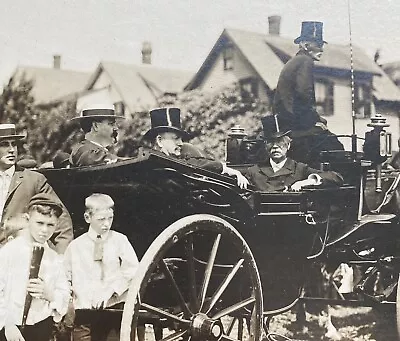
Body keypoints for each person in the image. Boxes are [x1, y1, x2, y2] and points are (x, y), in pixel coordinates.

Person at [64, 193, 139, 341]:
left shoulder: (120, 241)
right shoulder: (75, 246)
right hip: (84, 314)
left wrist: (112, 291)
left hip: (114, 310)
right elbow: (65, 276)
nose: (106, 224)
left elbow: (133, 271)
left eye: (110, 218)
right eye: (101, 219)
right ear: (87, 218)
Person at [0, 193, 70, 341]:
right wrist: (7, 324)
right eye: (39, 223)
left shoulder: (53, 258)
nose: (44, 230)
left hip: (40, 327)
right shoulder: (9, 252)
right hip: (10, 328)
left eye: (50, 225)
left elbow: (64, 294)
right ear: (27, 219)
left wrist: (49, 294)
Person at [272, 21, 343, 165]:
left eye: (321, 45)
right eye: (317, 45)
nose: (321, 49)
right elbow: (304, 96)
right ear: (305, 45)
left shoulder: (294, 61)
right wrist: (316, 121)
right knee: (337, 150)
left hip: (286, 124)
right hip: (296, 126)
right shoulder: (305, 61)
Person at [0, 124, 73, 254]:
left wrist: (61, 256)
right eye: (4, 144)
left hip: (22, 256)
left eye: (14, 144)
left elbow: (62, 219)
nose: (11, 150)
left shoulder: (34, 180)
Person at [142, 107, 249, 189]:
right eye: (175, 139)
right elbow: (191, 164)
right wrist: (234, 172)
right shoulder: (161, 163)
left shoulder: (151, 159)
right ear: (160, 141)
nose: (180, 143)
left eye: (181, 139)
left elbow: (193, 163)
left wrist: (229, 170)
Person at [246, 128, 343, 192]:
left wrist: (304, 182)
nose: (275, 146)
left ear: (288, 145)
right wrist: (237, 175)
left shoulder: (299, 168)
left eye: (280, 142)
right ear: (265, 146)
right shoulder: (254, 171)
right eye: (271, 143)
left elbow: (335, 177)